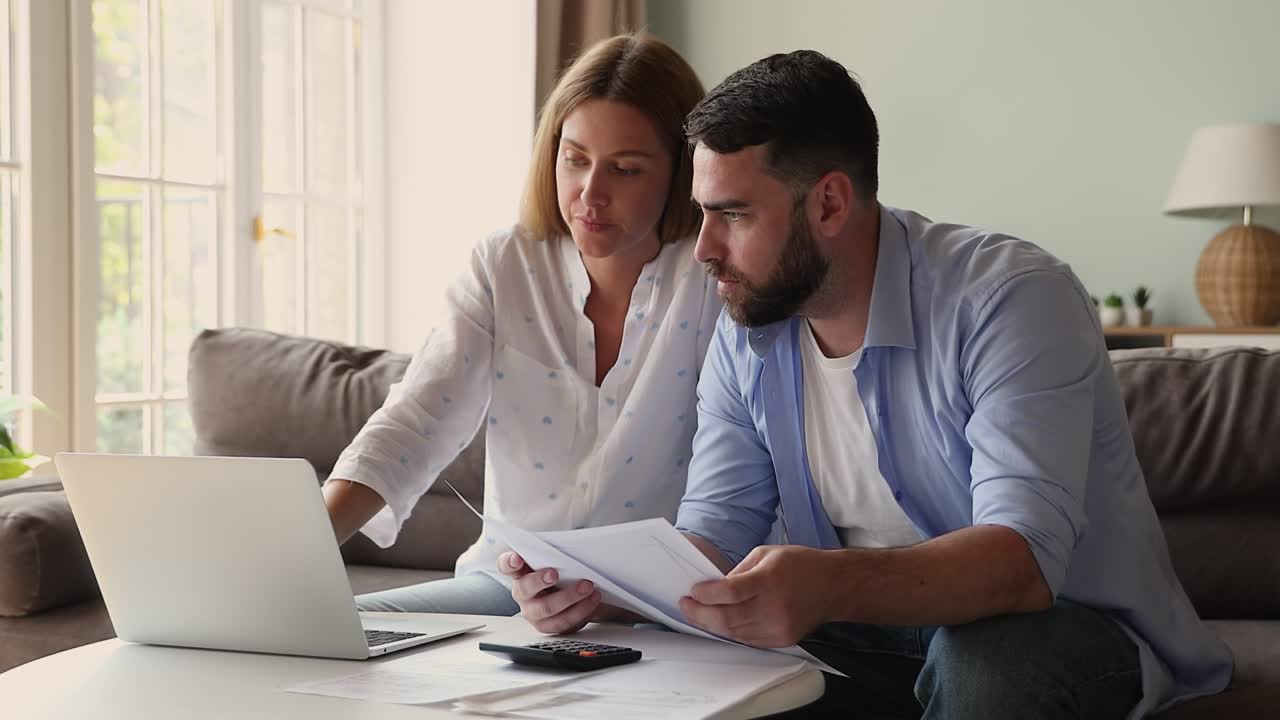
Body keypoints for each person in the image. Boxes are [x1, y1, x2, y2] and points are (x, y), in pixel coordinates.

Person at [512, 50, 1232, 718]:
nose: (703, 248)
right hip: (862, 633)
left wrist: (826, 585)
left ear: (829, 204)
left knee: (983, 661)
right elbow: (716, 536)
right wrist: (601, 594)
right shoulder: (748, 332)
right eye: (703, 212)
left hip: (1061, 629)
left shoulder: (1010, 299)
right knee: (679, 659)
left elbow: (1021, 564)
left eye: (732, 214)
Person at [322, 33, 718, 617]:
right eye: (574, 159)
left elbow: (742, 490)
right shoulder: (503, 265)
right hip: (507, 590)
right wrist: (301, 551)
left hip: (661, 605)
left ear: (682, 172)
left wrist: (622, 600)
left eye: (626, 170)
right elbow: (415, 422)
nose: (591, 193)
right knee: (349, 631)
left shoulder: (713, 279)